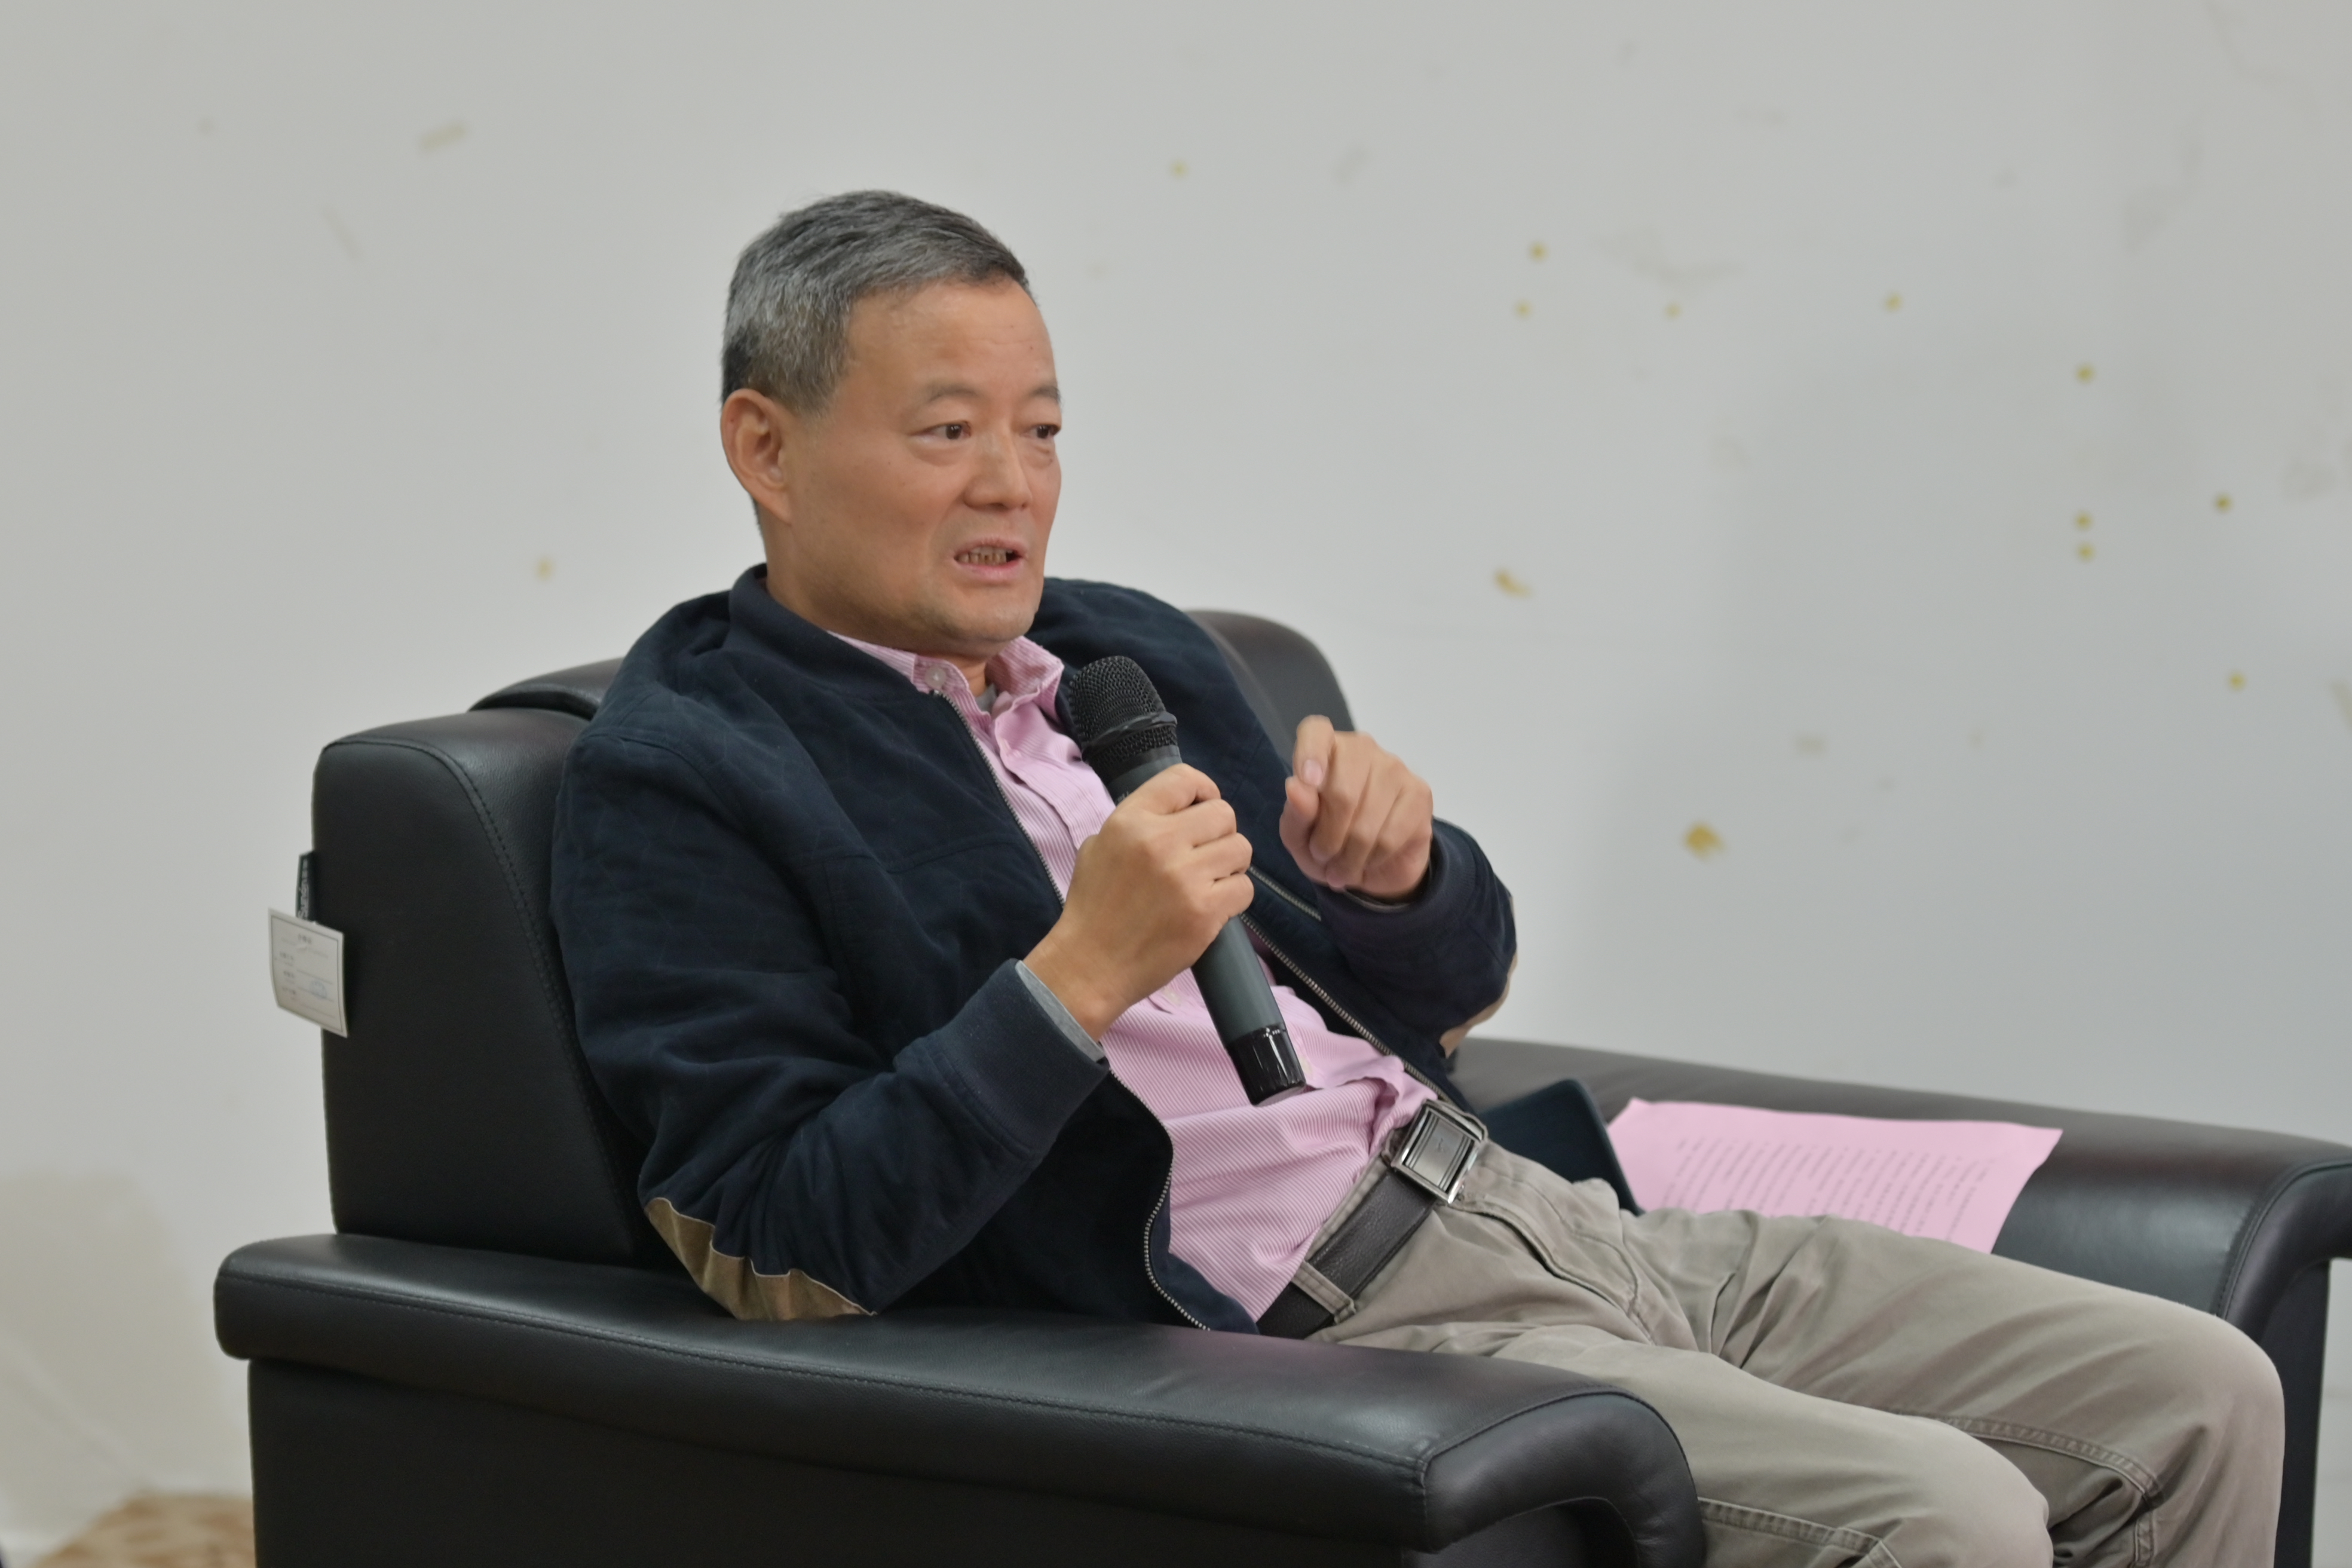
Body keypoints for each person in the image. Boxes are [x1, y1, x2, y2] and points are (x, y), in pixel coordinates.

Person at [550, 191, 2283, 1567]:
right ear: (766, 448)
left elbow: (1447, 1004)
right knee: (1945, 1515)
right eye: (947, 432)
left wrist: (1398, 886)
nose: (1014, 486)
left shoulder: (1124, 652)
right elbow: (776, 1244)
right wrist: (1075, 980)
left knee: (2201, 1391)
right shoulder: (690, 770)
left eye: (1044, 428)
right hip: (1333, 1328)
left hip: (1543, 1213)